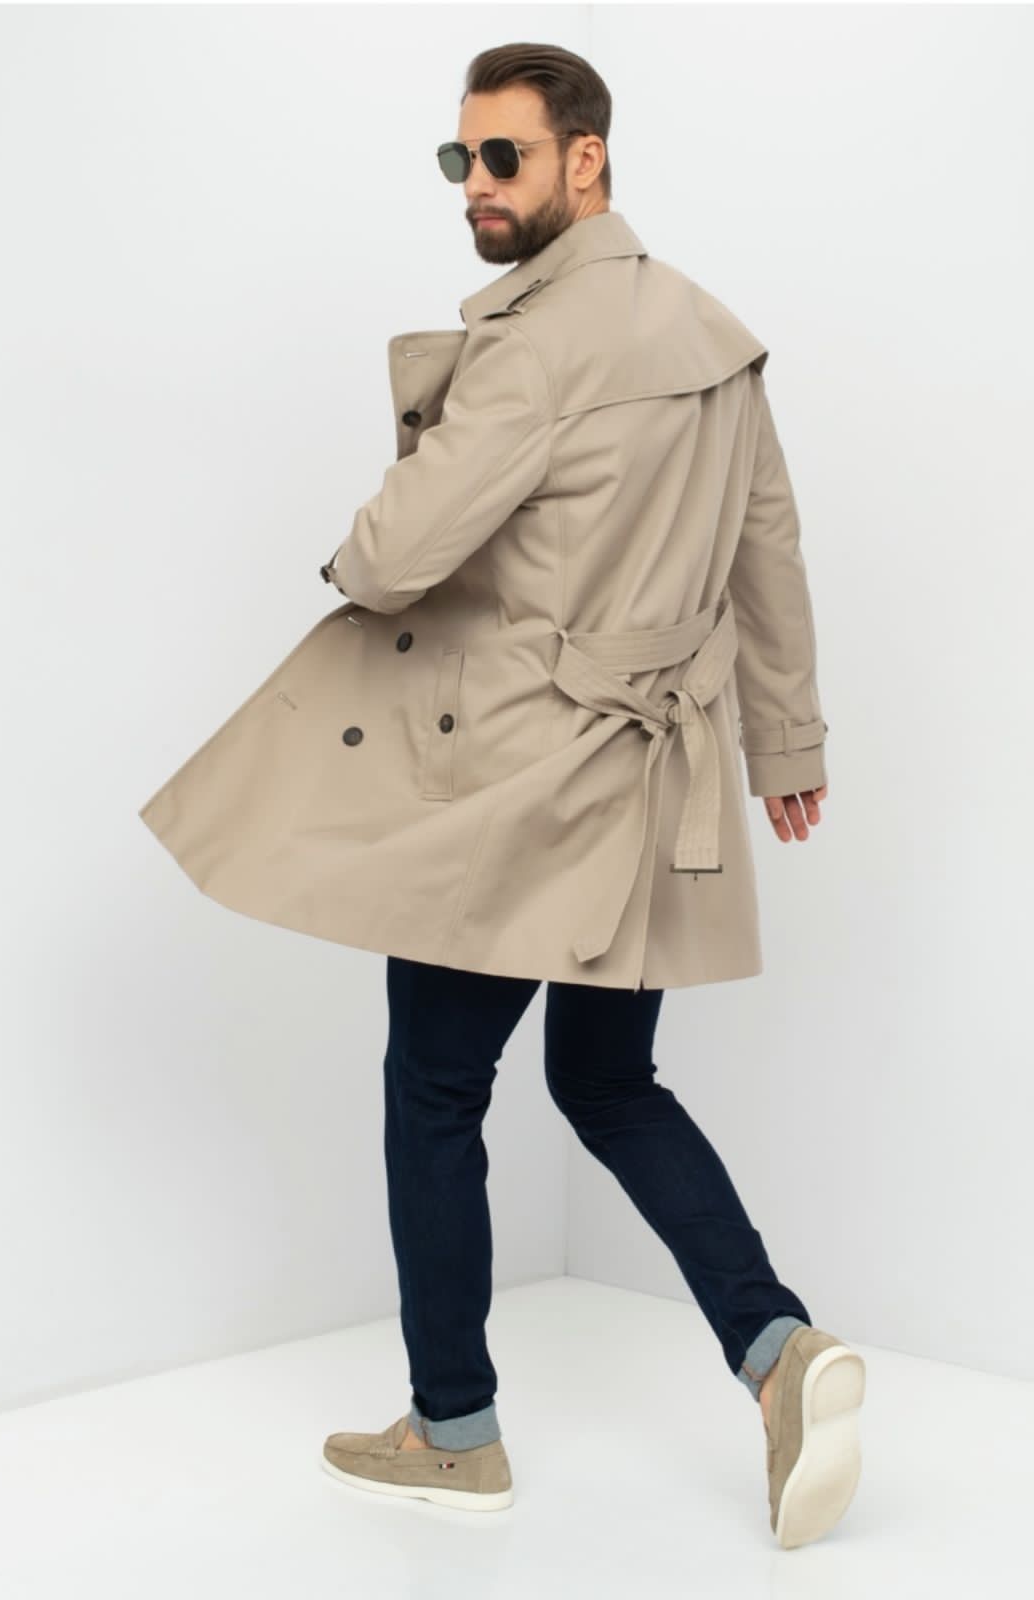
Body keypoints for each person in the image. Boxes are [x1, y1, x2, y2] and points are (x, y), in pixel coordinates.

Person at [315, 44, 867, 1550]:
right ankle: (777, 1350)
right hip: (656, 782)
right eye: (460, 160)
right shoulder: (712, 334)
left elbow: (399, 553)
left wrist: (349, 557)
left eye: (502, 158)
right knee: (609, 1083)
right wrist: (786, 747)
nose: (474, 188)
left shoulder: (532, 345)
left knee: (435, 1090)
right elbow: (768, 553)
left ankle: (453, 1428)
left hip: (516, 780)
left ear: (586, 159)